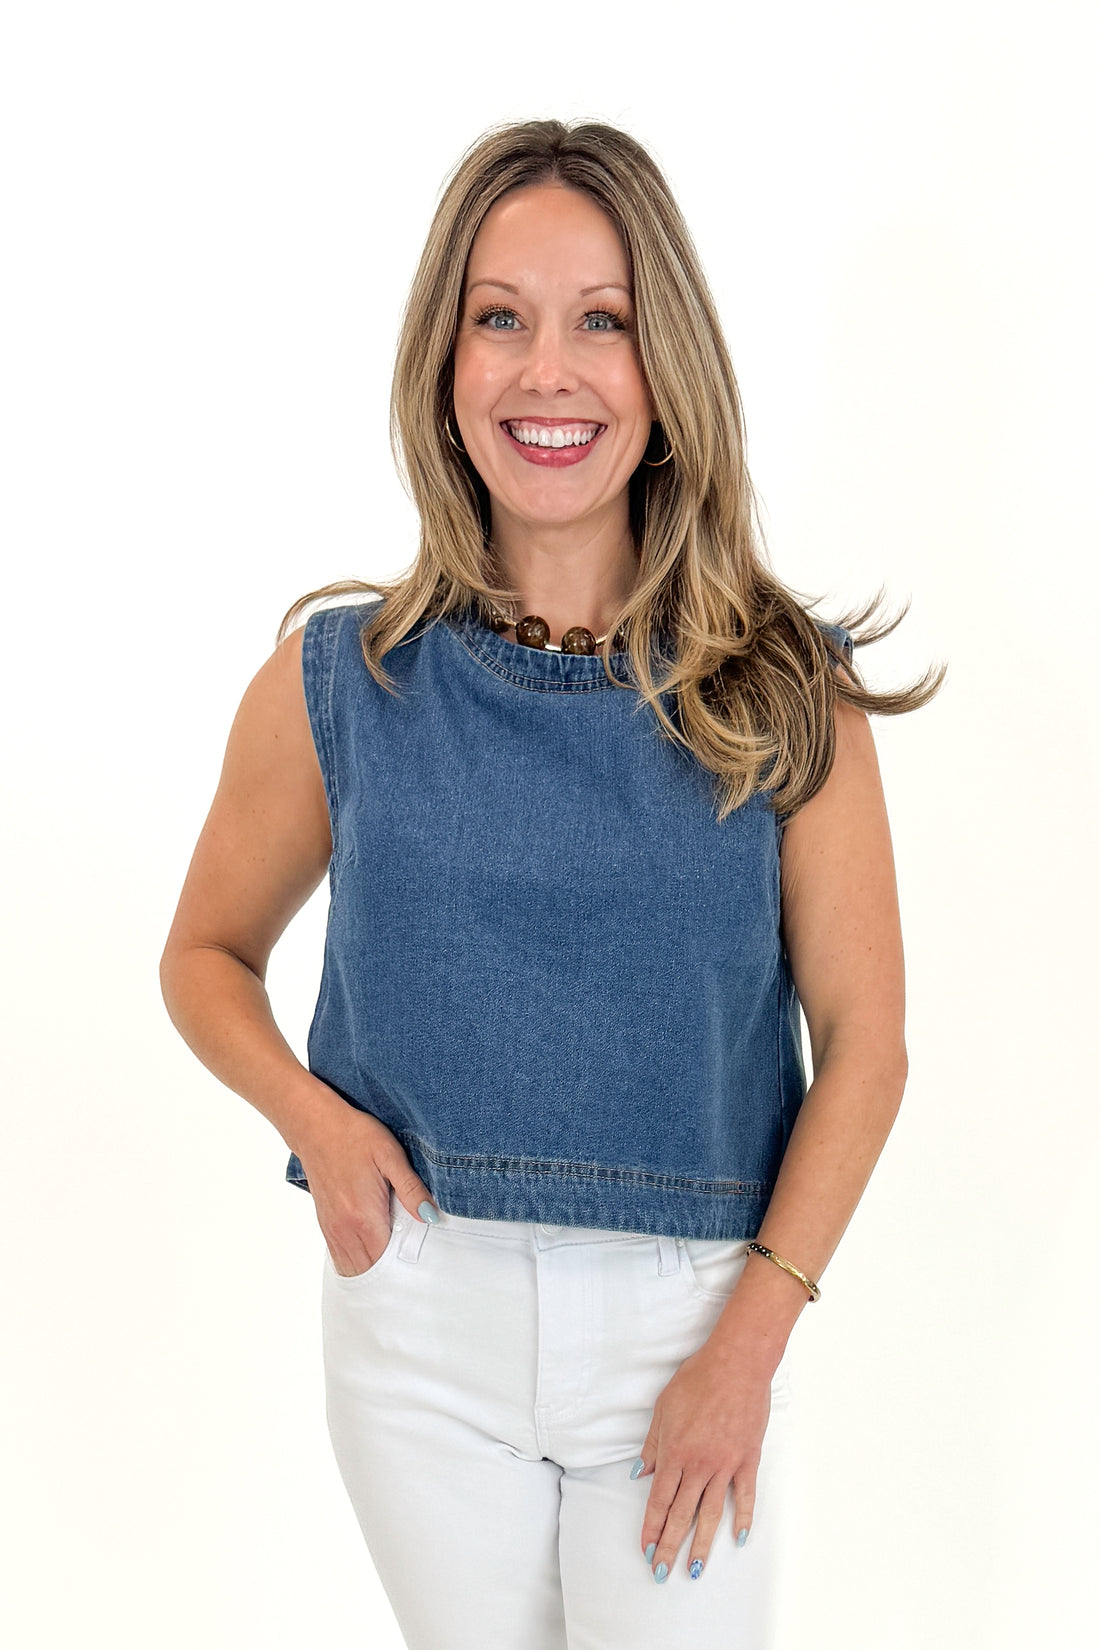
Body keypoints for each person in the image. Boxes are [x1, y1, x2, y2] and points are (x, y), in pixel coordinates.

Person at [159, 118, 944, 1649]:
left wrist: (747, 1348)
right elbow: (203, 953)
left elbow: (868, 1046)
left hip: (692, 1320)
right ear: (444, 362)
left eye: (602, 321)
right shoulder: (341, 682)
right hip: (418, 1327)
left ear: (667, 365)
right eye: (500, 318)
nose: (547, 372)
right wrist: (316, 1123)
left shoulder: (785, 687)